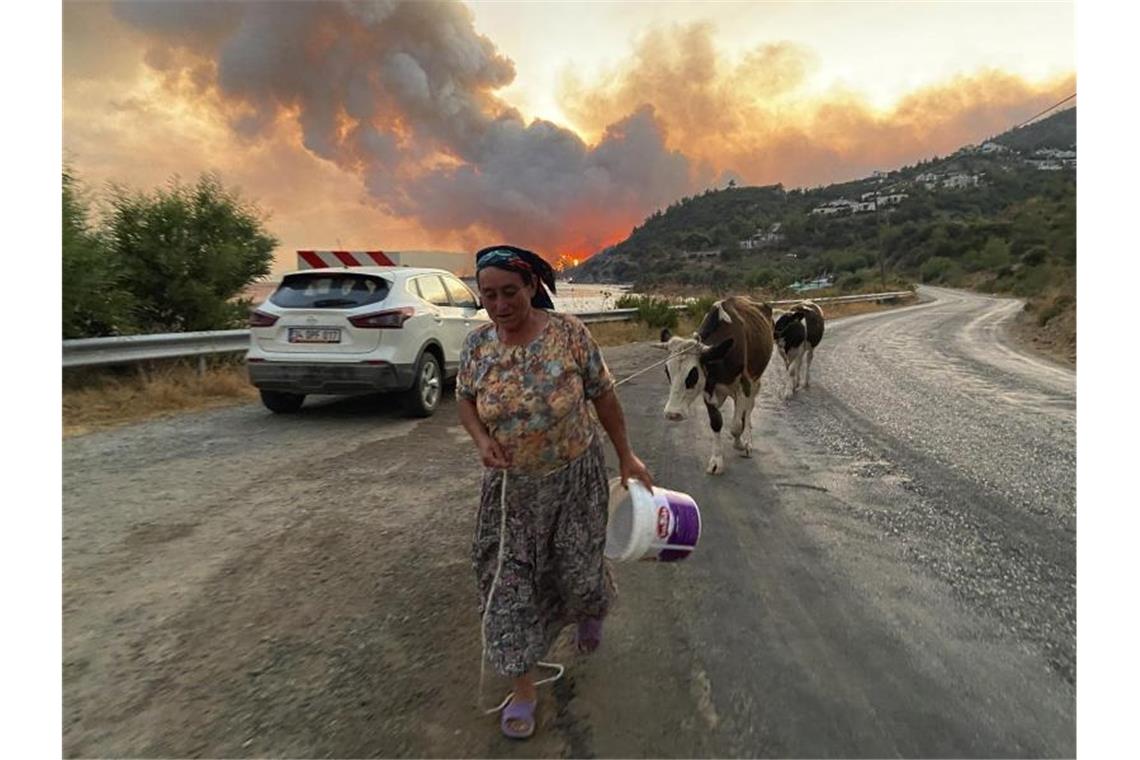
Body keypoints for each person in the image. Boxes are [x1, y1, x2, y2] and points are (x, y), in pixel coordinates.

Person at [456, 244, 653, 740]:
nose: (500, 305)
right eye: (489, 296)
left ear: (531, 288)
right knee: (505, 587)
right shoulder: (478, 346)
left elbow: (603, 394)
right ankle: (524, 687)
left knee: (578, 567)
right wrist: (482, 440)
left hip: (574, 478)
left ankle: (591, 607)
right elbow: (464, 400)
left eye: (509, 293)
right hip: (510, 495)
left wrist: (626, 455)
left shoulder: (569, 334)